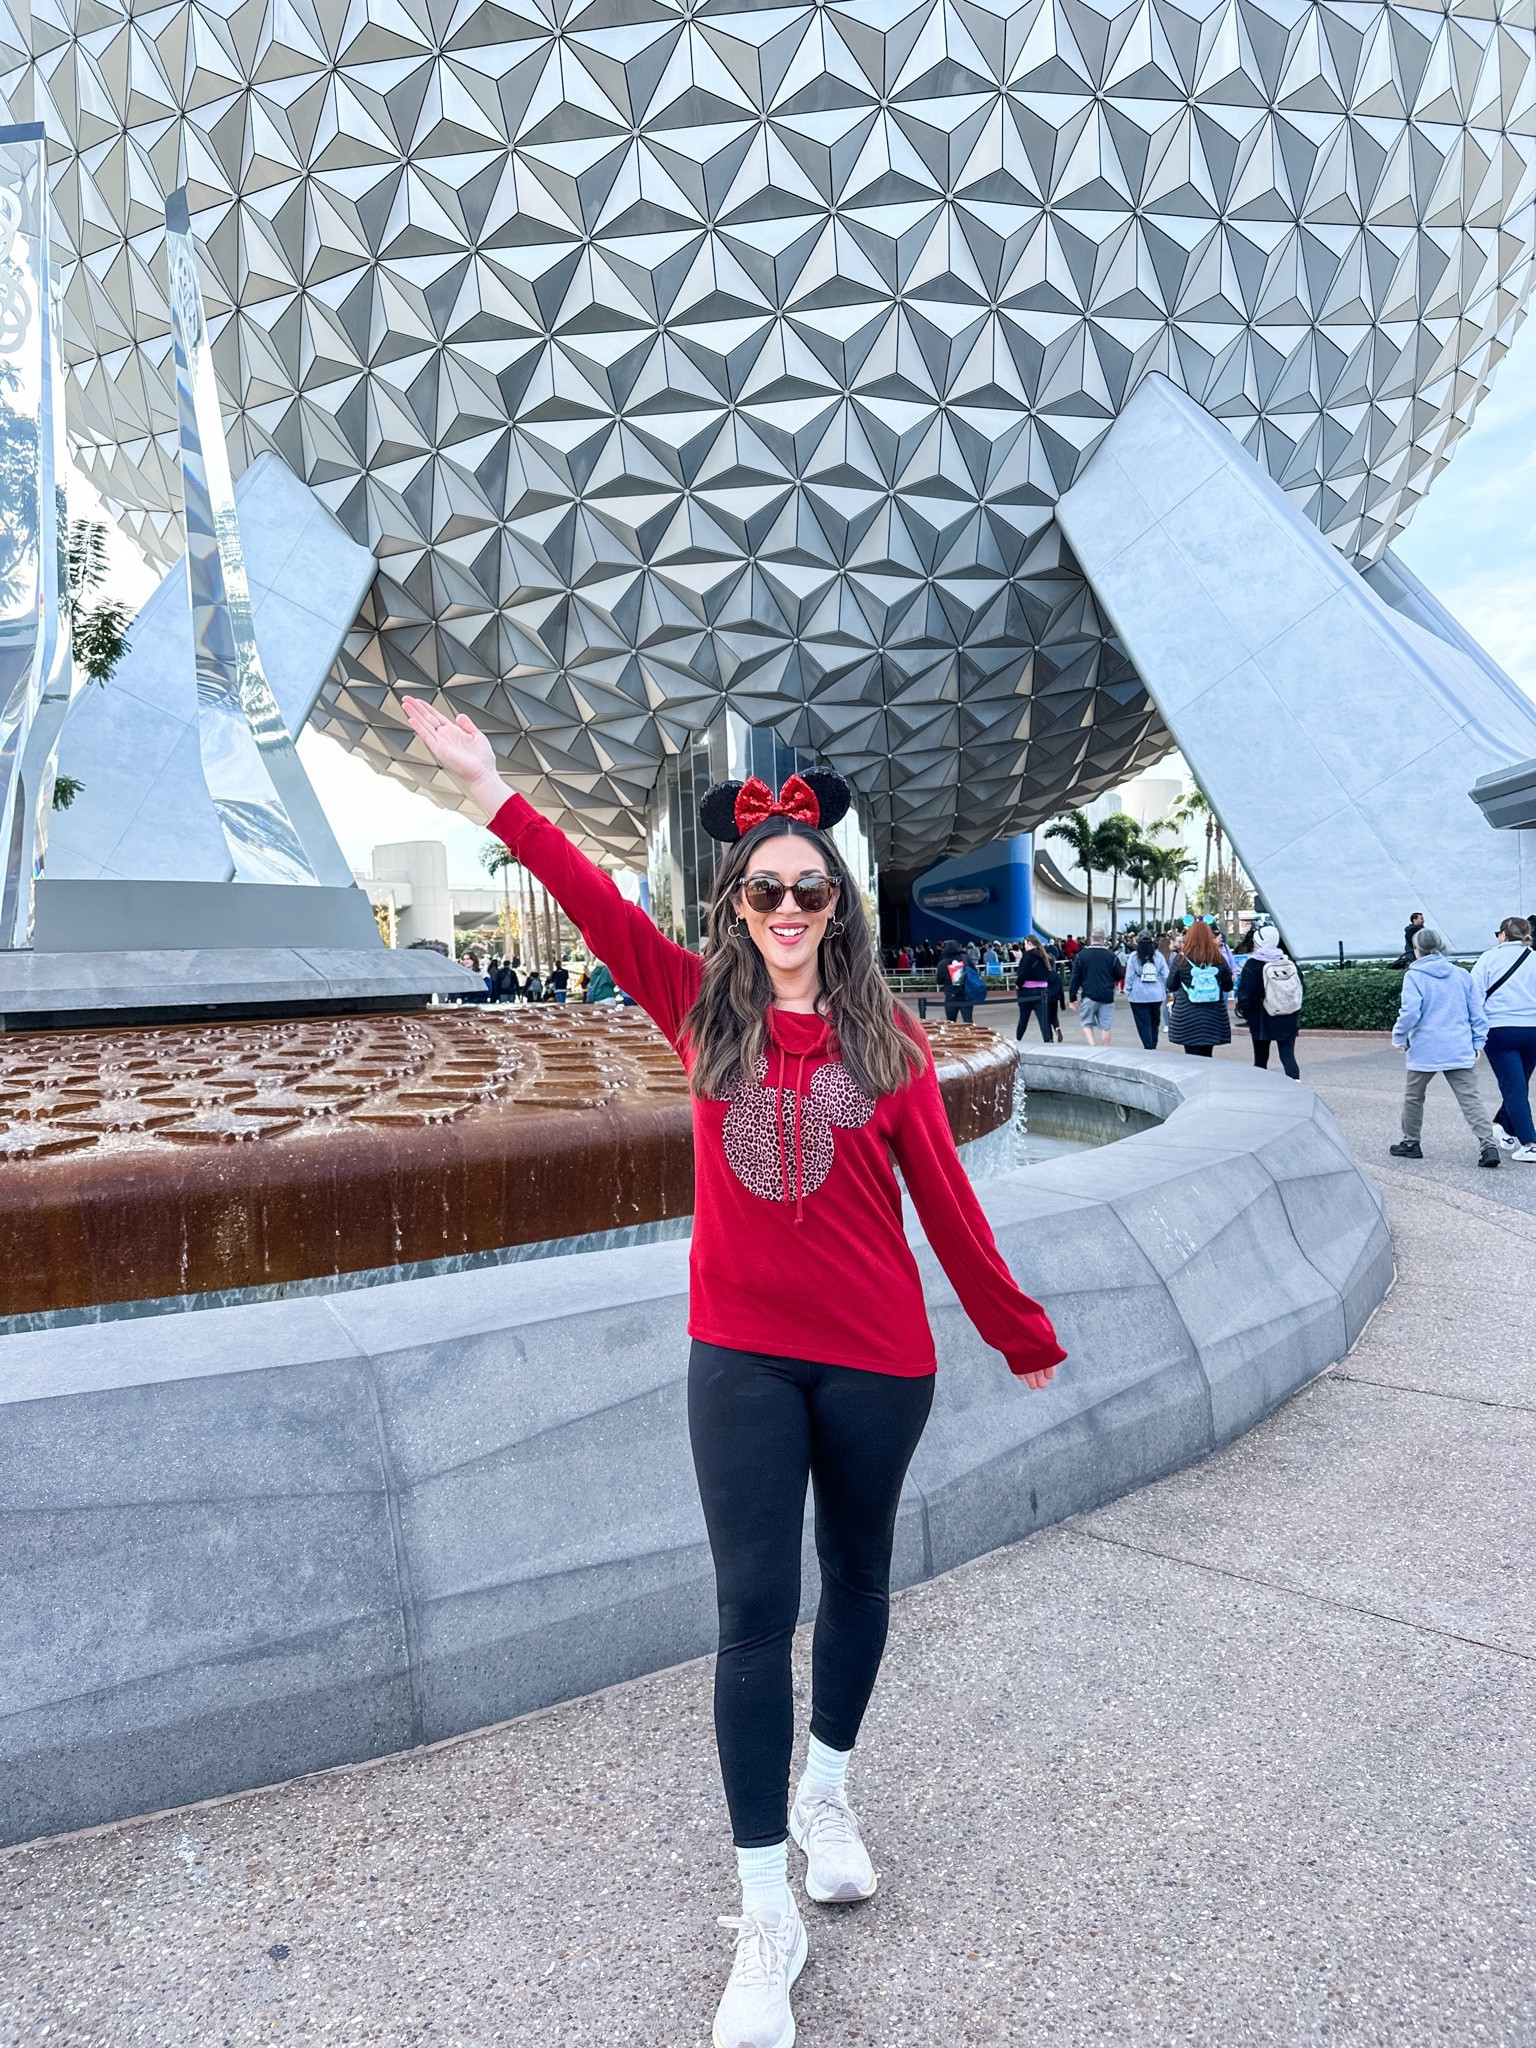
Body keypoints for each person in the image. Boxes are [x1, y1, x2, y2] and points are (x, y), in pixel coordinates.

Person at [400, 698, 1065, 2048]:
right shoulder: (699, 1011)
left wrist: (1018, 1331)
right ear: (735, 902)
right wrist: (490, 793)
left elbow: (951, 1210)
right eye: (765, 886)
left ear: (840, 902)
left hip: (882, 1363)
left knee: (862, 1581)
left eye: (810, 886)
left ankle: (830, 1789)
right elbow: (591, 905)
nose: (789, 904)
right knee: (753, 1615)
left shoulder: (894, 1047)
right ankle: (765, 1918)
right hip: (743, 1362)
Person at [1389, 928, 1498, 1166]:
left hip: (1425, 1048)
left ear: (1416, 950)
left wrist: (1399, 1036)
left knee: (1414, 1097)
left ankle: (1410, 1143)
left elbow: (1410, 1012)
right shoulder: (1461, 974)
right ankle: (1488, 1146)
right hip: (1458, 1046)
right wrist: (1477, 1042)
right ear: (1439, 947)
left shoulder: (1414, 976)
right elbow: (1476, 1013)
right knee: (1470, 1099)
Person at [1469, 916, 1536, 1161]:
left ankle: (1530, 1142)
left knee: (1514, 1086)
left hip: (1499, 1030)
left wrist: (1475, 1031)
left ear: (1503, 935)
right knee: (1519, 1084)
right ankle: (1505, 1128)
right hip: (1533, 1030)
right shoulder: (1534, 958)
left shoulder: (1488, 958)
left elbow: (1474, 996)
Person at [1234, 924, 1303, 1078]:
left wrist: (1246, 1014)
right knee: (1288, 1056)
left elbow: (1245, 994)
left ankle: (1262, 1088)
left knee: (1260, 1059)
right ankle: (1296, 1086)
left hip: (1261, 1019)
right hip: (1288, 1016)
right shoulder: (1287, 961)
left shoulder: (1254, 964)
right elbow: (1300, 987)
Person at [1166, 918, 1233, 1055]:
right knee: (1207, 1056)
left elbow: (1171, 985)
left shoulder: (1181, 959)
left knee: (1191, 1058)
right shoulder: (1218, 959)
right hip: (1213, 1016)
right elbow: (1228, 986)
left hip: (1187, 1016)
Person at [1067, 926, 1120, 1046]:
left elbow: (1075, 978)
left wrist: (1072, 998)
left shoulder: (1081, 956)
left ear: (1091, 938)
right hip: (1107, 996)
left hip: (1088, 996)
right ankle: (1104, 1049)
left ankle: (1093, 1046)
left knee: (1086, 1023)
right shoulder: (1111, 956)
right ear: (1104, 939)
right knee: (1105, 1026)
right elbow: (1119, 974)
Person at [1123, 932, 1169, 1049]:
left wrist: (1128, 989)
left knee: (1143, 1023)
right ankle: (1153, 1043)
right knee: (1155, 1020)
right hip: (1156, 994)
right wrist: (1167, 989)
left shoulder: (1134, 956)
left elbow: (1130, 976)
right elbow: (1165, 975)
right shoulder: (1158, 956)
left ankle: (1148, 1046)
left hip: (1139, 995)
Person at [1014, 940, 1055, 1040]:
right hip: (1042, 991)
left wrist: (1018, 984)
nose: (1024, 946)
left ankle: (1018, 1039)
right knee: (1044, 1018)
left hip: (1026, 992)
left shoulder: (1027, 956)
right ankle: (1048, 1040)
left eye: (1025, 944)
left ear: (1030, 943)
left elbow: (1023, 973)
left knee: (1023, 1018)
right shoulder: (1045, 956)